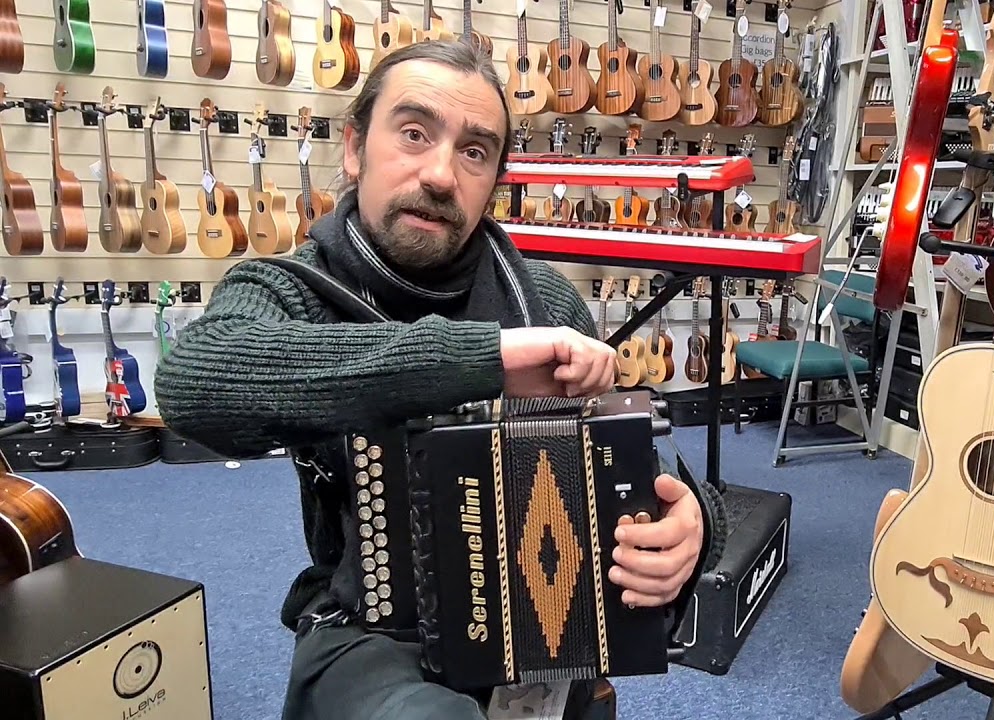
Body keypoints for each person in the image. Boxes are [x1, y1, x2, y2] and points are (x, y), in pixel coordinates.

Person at [154, 41, 728, 720]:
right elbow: (194, 380)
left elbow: (640, 472)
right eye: (415, 133)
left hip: (542, 646)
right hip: (370, 632)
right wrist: (484, 357)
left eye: (475, 152)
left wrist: (691, 524)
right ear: (354, 147)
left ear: (493, 182)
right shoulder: (292, 289)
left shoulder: (544, 302)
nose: (439, 174)